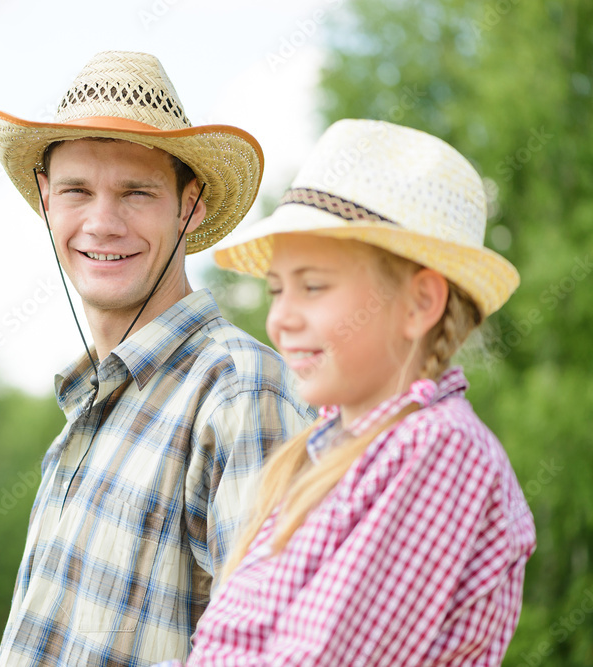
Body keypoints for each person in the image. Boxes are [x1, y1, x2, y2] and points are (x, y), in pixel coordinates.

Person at [155, 119, 537, 666]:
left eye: (313, 286)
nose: (281, 318)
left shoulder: (442, 450)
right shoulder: (315, 455)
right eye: (276, 289)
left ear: (419, 303)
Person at [0, 51, 314, 666]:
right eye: (77, 190)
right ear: (46, 199)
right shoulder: (89, 404)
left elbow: (275, 654)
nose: (102, 223)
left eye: (136, 192)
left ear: (189, 207)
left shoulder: (240, 394)